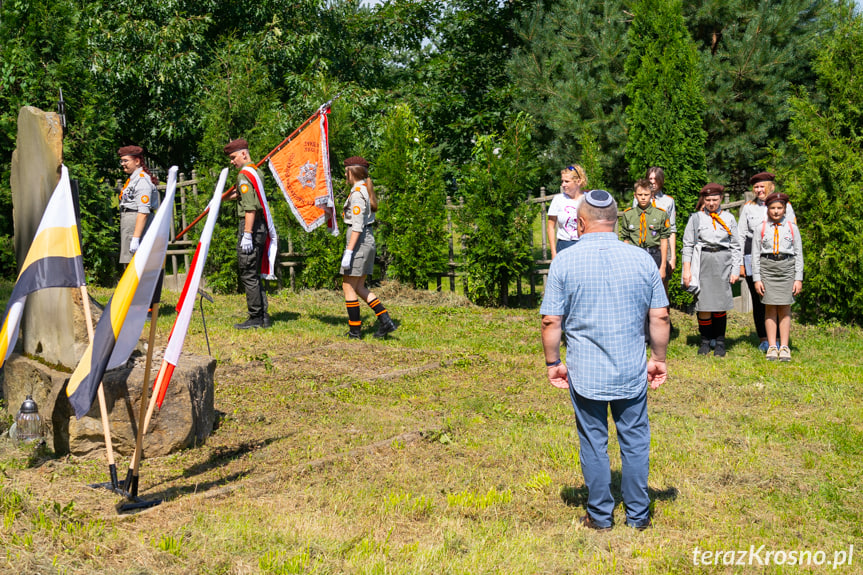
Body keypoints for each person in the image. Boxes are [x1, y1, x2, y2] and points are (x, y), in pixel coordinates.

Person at [541, 189, 670, 531]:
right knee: (635, 440)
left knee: (593, 441)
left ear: (581, 223)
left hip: (585, 371)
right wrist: (658, 358)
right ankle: (639, 516)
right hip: (630, 368)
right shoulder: (642, 259)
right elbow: (660, 317)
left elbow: (551, 320)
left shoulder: (564, 262)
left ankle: (600, 516)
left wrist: (553, 363)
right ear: (615, 222)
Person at [738, 172, 797, 352]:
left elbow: (792, 231)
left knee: (779, 300)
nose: (758, 190)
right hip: (752, 254)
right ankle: (764, 339)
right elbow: (740, 235)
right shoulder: (748, 207)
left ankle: (780, 339)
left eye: (762, 186)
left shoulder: (784, 205)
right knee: (759, 299)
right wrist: (740, 263)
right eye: (756, 187)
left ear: (771, 186)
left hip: (777, 256)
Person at [681, 183, 742, 357]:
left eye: (715, 199)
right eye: (707, 200)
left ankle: (720, 342)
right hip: (703, 262)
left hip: (723, 261)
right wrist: (687, 270)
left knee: (720, 304)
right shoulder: (696, 218)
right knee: (704, 304)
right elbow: (688, 245)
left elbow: (736, 245)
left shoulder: (729, 218)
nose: (711, 203)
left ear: (721, 199)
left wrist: (735, 269)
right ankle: (705, 341)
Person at [340, 156, 396, 339]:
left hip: (359, 241)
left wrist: (349, 252)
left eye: (346, 171)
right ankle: (385, 320)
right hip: (365, 240)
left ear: (351, 172)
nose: (344, 174)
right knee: (359, 286)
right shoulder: (363, 189)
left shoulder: (357, 193)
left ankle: (355, 331)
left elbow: (356, 226)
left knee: (348, 286)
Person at [224, 138, 276, 330]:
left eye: (233, 157)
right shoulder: (256, 172)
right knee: (255, 273)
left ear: (244, 154)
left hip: (251, 228)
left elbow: (250, 207)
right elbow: (243, 195)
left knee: (248, 273)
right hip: (260, 227)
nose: (232, 161)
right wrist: (221, 199)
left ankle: (255, 317)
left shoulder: (244, 175)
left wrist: (246, 234)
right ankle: (263, 316)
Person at [751, 192, 803, 361]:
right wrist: (757, 278)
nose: (776, 211)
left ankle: (785, 346)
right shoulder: (761, 228)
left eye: (779, 208)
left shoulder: (792, 228)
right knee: (770, 307)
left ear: (785, 209)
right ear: (767, 209)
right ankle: (772, 346)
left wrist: (798, 278)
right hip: (767, 268)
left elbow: (798, 254)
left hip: (787, 268)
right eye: (772, 208)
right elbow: (755, 255)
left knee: (785, 308)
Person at [619, 178, 671, 277]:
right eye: (640, 195)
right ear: (635, 195)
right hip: (634, 256)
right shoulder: (628, 215)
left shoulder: (660, 214)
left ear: (651, 195)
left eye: (646, 195)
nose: (643, 198)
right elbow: (626, 239)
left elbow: (664, 240)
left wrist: (663, 266)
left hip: (654, 255)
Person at [117, 145, 160, 264]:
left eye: (126, 161)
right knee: (131, 263)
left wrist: (136, 239)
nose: (122, 164)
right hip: (131, 223)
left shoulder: (141, 180)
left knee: (136, 264)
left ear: (137, 161)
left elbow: (143, 212)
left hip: (136, 225)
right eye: (121, 161)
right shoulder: (134, 179)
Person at [546, 164, 587, 260]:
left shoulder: (587, 199)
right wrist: (553, 252)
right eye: (562, 181)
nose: (563, 184)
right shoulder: (558, 200)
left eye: (567, 181)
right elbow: (550, 227)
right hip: (564, 245)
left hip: (584, 244)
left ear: (578, 181)